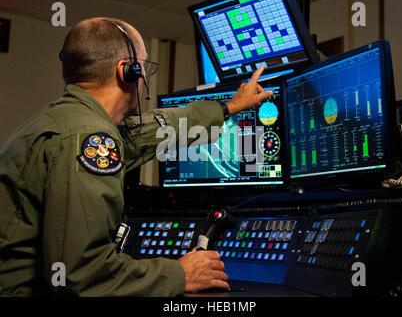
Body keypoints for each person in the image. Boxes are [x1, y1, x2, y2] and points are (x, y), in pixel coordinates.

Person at [0, 17, 273, 296]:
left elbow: (151, 129)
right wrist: (181, 274)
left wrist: (228, 107)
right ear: (127, 71)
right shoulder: (87, 137)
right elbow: (83, 274)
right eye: (143, 66)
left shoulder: (65, 121)